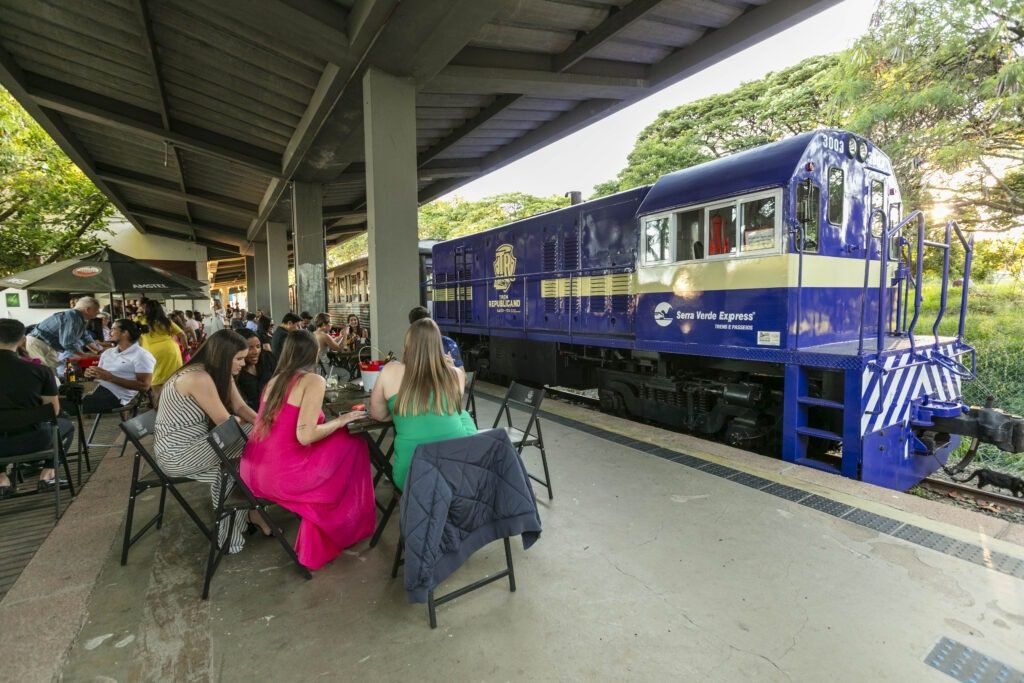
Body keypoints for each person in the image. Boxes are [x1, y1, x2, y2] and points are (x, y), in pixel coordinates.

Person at [241, 330, 375, 570]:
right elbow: (306, 435)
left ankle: (334, 518)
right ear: (314, 352)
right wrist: (342, 420)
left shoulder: (276, 379)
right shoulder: (313, 380)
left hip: (252, 471)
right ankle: (337, 523)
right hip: (281, 475)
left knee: (344, 445)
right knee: (354, 443)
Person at [154, 330, 259, 554]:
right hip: (178, 454)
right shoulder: (198, 377)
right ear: (223, 356)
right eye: (239, 358)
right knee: (248, 452)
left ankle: (249, 515)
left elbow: (240, 408)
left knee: (249, 451)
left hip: (202, 444)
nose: (243, 363)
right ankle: (253, 512)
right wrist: (266, 431)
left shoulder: (218, 372)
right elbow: (228, 423)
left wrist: (265, 424)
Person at [369, 318, 476, 490]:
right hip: (458, 469)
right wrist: (451, 366)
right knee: (462, 414)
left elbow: (378, 414)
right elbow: (451, 407)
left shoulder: (390, 370)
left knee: (460, 414)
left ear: (408, 344)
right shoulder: (456, 375)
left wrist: (400, 413)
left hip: (411, 476)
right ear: (438, 345)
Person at [0, 319, 76, 497]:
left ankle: (2, 479)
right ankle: (48, 474)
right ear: (21, 341)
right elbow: (53, 411)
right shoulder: (40, 371)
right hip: (34, 440)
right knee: (66, 426)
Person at [77, 320, 155, 414]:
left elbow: (144, 386)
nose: (110, 332)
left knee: (69, 404)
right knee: (63, 395)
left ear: (125, 333)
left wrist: (111, 378)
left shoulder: (142, 355)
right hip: (97, 388)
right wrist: (90, 374)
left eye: (113, 329)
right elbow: (99, 376)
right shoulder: (108, 353)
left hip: (116, 396)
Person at [25, 296, 104, 370]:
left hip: (42, 344)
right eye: (96, 310)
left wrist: (100, 352)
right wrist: (84, 355)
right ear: (88, 309)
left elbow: (86, 338)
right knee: (46, 372)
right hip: (38, 344)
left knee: (51, 372)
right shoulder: (73, 317)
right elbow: (67, 343)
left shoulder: (79, 318)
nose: (98, 313)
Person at [138, 299, 186, 398]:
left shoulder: (140, 320)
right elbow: (182, 334)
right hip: (172, 351)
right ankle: (173, 405)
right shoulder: (166, 321)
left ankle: (160, 408)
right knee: (173, 381)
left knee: (156, 383)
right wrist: (186, 348)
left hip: (152, 353)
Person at [235, 329, 276, 412]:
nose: (256, 351)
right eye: (250, 348)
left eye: (258, 346)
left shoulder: (267, 358)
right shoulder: (235, 371)